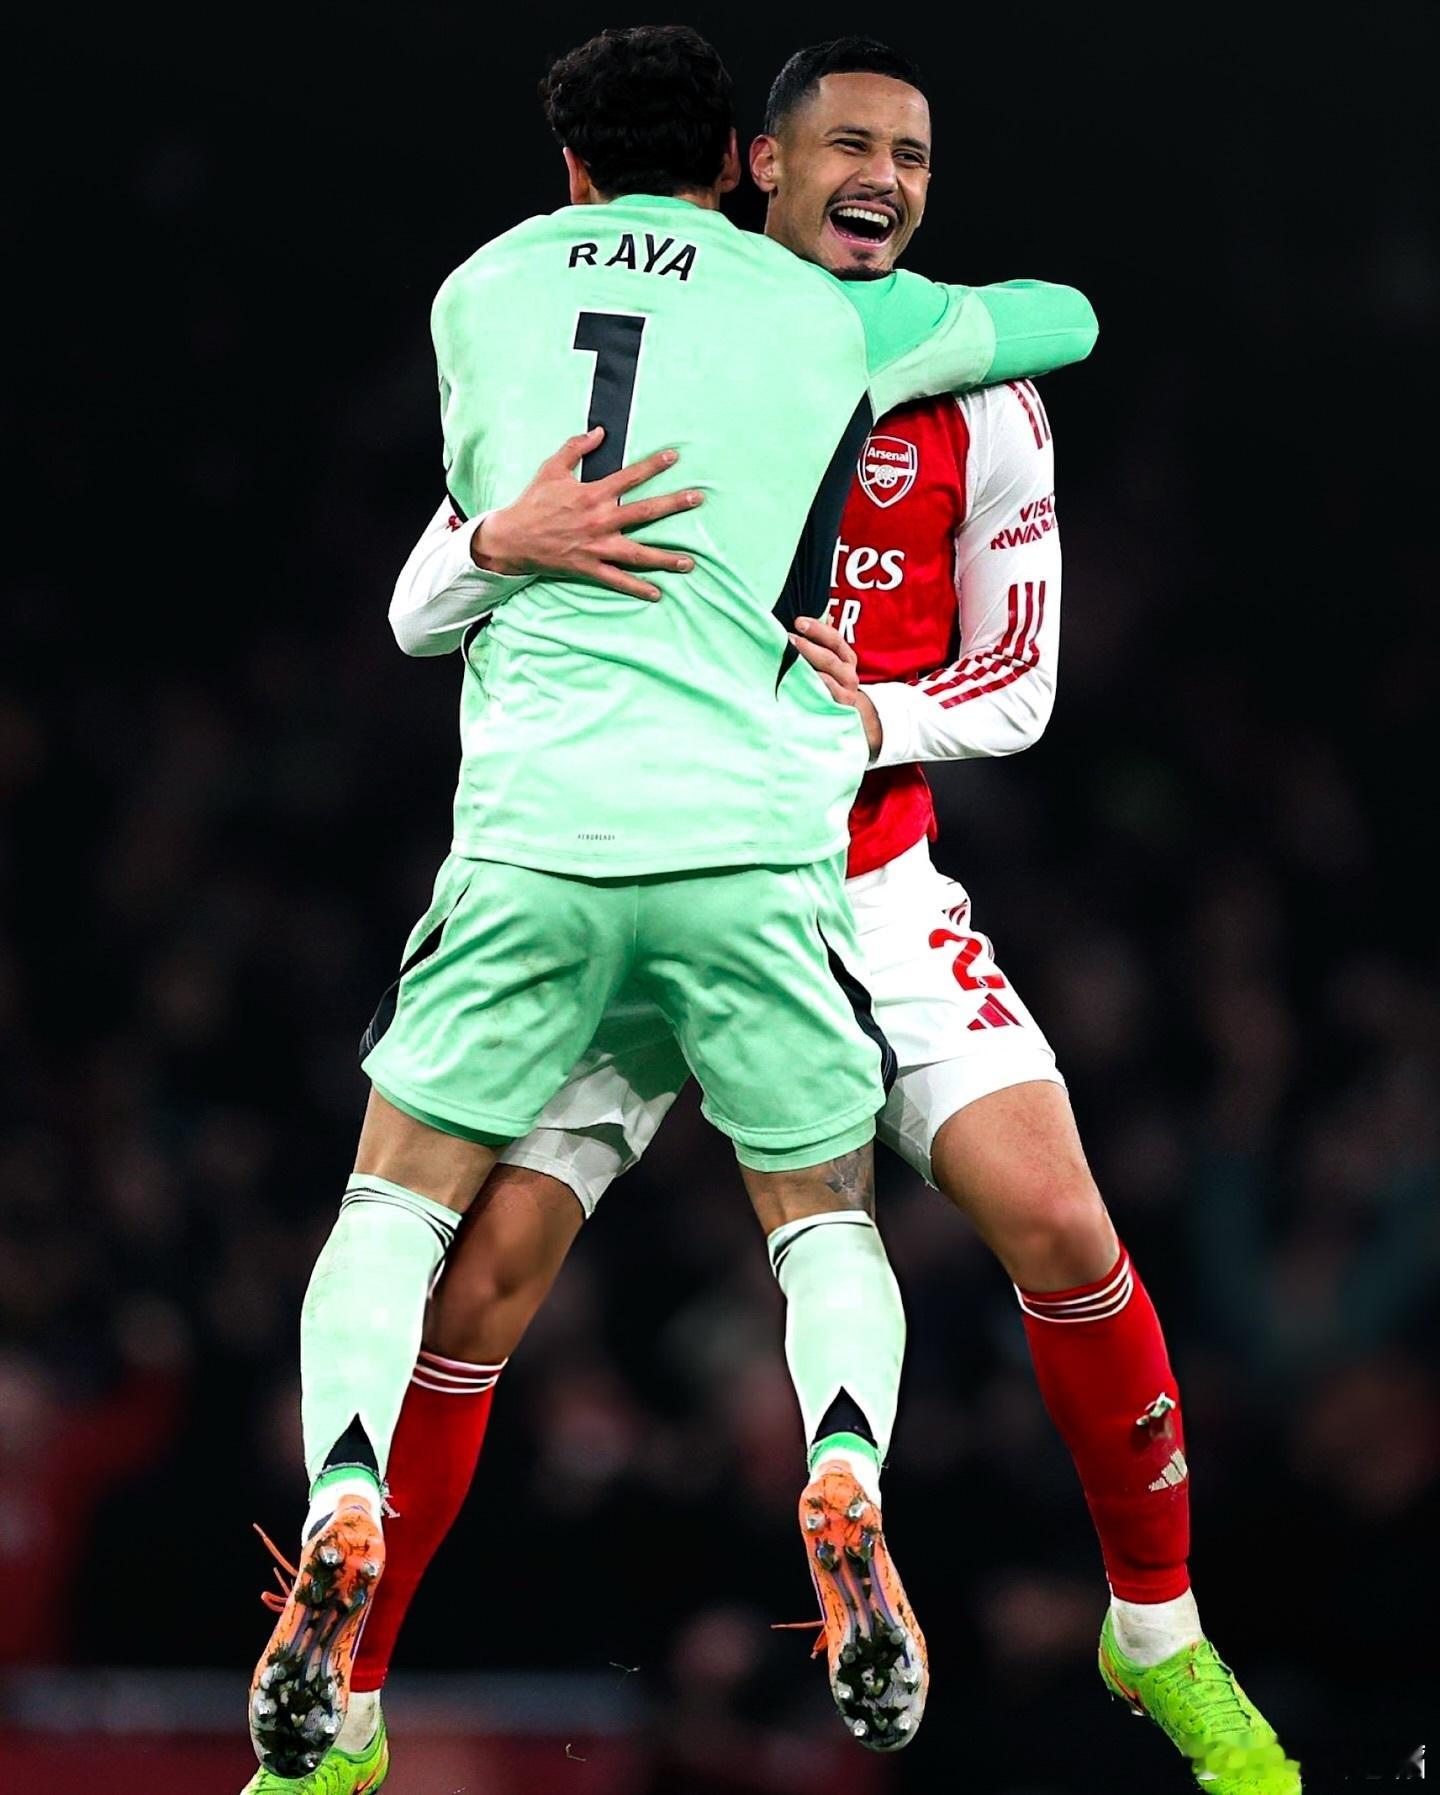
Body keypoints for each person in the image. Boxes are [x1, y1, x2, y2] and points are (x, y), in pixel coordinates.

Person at [284, 35, 1299, 1795]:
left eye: (914, 155)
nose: (883, 179)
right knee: (488, 1290)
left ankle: (1159, 1633)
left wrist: (864, 717)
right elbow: (438, 568)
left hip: (855, 875)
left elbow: (1020, 682)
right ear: (758, 163)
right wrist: (505, 539)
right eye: (850, 146)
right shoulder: (703, 334)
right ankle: (341, 1720)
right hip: (686, 857)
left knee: (1061, 1221)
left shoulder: (974, 399)